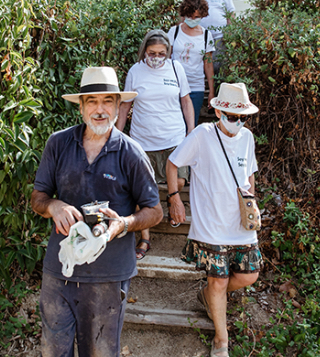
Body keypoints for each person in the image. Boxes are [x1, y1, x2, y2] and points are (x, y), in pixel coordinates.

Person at [31, 66, 163, 357]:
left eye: (107, 101)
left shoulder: (131, 153)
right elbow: (38, 197)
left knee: (100, 353)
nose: (100, 109)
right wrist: (54, 205)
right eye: (92, 101)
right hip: (60, 271)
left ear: (118, 106)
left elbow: (154, 211)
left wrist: (124, 224)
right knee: (53, 351)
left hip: (109, 275)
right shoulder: (58, 143)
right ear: (81, 107)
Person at [166, 82, 261, 357]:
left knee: (248, 275)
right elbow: (173, 163)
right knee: (218, 280)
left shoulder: (248, 138)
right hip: (211, 222)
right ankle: (221, 340)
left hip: (240, 223)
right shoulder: (201, 135)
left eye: (242, 117)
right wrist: (174, 197)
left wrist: (251, 201)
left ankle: (208, 297)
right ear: (218, 112)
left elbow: (250, 173)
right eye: (233, 117)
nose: (238, 123)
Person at [116, 30, 195, 259]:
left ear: (168, 52)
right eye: (152, 53)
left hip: (174, 138)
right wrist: (117, 135)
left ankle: (172, 200)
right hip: (143, 141)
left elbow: (186, 101)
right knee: (141, 190)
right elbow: (124, 106)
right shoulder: (135, 71)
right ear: (144, 51)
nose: (157, 57)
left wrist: (191, 132)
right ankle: (145, 238)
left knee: (179, 181)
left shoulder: (176, 68)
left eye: (162, 53)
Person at [168, 0, 216, 127]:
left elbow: (208, 64)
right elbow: (166, 57)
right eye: (190, 16)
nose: (193, 20)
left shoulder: (207, 36)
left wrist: (211, 92)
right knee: (173, 124)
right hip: (174, 85)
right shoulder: (174, 32)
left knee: (191, 125)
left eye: (197, 17)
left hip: (196, 87)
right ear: (184, 14)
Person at [186, 0, 235, 74]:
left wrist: (230, 32)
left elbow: (230, 14)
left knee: (218, 68)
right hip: (197, 38)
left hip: (218, 38)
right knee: (197, 68)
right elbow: (184, 14)